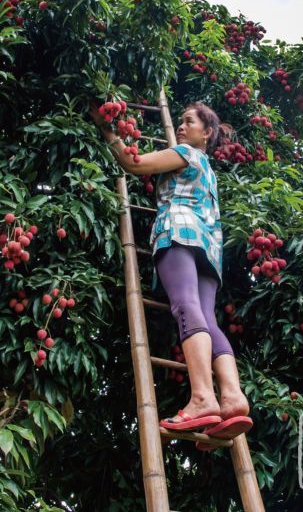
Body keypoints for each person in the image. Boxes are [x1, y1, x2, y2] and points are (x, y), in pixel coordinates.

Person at [91, 102, 253, 445]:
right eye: (179, 121)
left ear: (205, 133)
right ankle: (233, 398)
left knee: (185, 306)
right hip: (210, 248)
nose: (181, 127)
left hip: (178, 232)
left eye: (189, 121)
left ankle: (202, 399)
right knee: (208, 319)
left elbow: (133, 163)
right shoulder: (208, 169)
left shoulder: (185, 153)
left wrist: (107, 130)